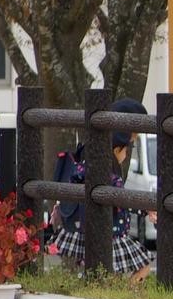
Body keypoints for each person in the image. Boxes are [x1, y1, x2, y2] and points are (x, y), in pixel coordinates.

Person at [50, 98, 156, 284]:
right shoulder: (107, 170)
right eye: (129, 145)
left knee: (100, 272)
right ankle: (126, 294)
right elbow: (120, 199)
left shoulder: (86, 157)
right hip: (109, 233)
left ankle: (109, 291)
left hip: (83, 228)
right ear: (118, 144)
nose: (126, 154)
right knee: (142, 266)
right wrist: (145, 208)